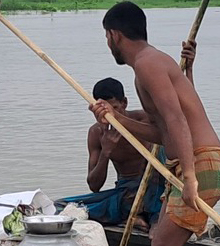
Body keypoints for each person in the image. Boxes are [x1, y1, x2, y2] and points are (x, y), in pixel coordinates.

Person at [88, 1, 220, 246]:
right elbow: (161, 132)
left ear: (113, 34)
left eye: (107, 38)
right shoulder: (146, 67)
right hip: (187, 161)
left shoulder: (149, 64)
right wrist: (114, 119)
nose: (108, 44)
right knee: (159, 245)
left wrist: (192, 177)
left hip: (202, 163)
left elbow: (178, 121)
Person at [57, 77, 164, 227]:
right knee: (62, 207)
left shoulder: (145, 120)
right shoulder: (96, 133)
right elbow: (94, 186)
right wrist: (106, 151)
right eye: (102, 111)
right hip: (125, 193)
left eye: (115, 108)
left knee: (155, 191)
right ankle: (133, 215)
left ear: (124, 103)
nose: (109, 116)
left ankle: (145, 216)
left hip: (156, 188)